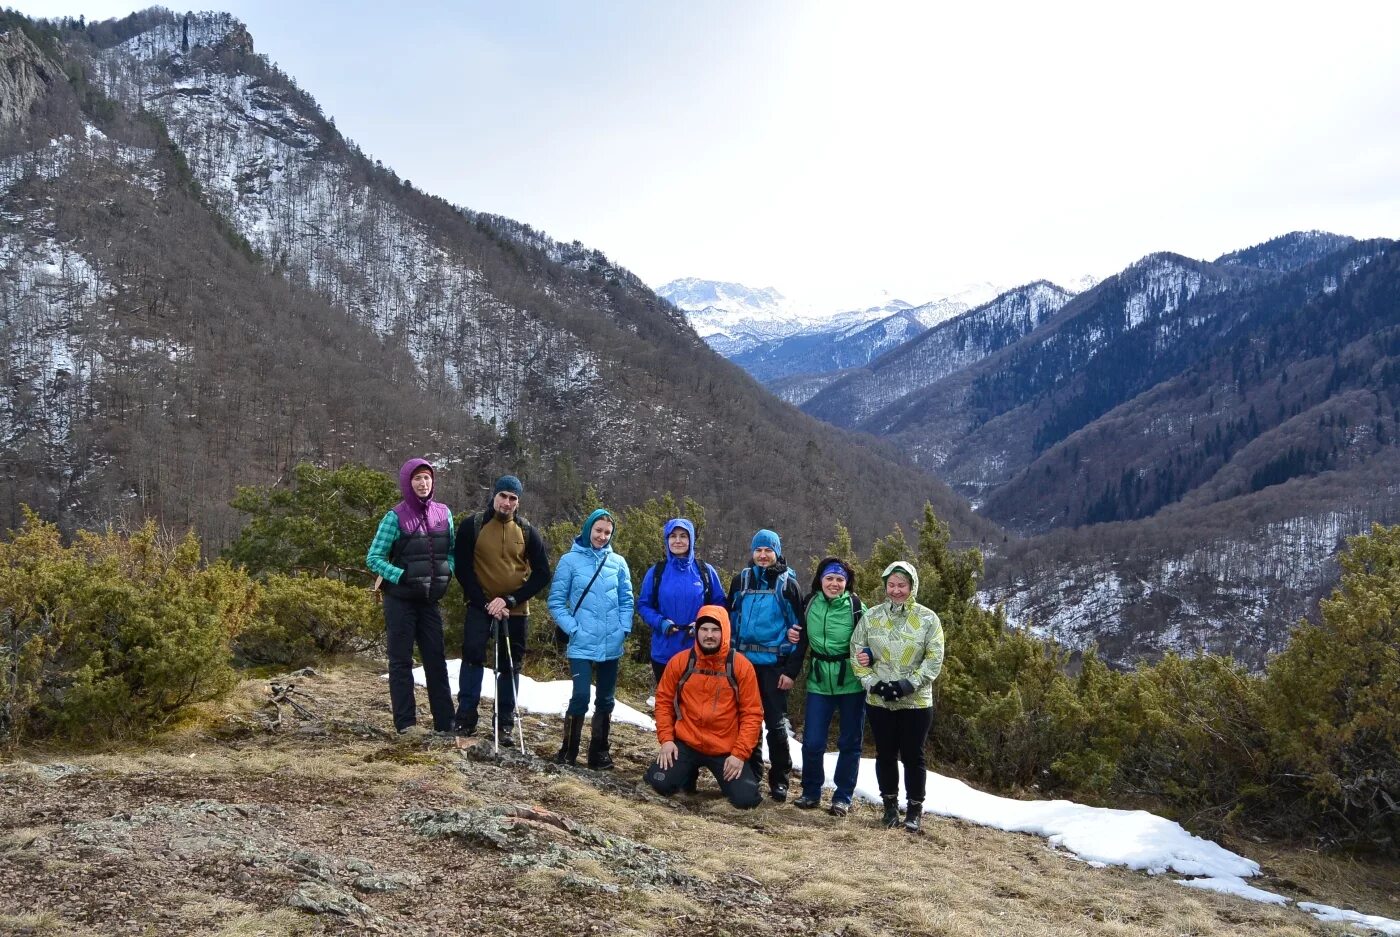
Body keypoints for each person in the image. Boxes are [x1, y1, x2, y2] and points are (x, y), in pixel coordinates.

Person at [452, 475, 552, 743]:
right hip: (479, 606)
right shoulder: (472, 526)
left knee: (510, 666)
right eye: (503, 496)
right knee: (473, 659)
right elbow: (461, 568)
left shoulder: (528, 531)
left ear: (518, 502)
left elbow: (543, 573)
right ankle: (465, 719)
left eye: (513, 498)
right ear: (493, 495)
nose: (507, 503)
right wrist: (485, 601)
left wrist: (509, 600)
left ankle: (504, 725)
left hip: (515, 610)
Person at [851, 560, 945, 832]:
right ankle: (889, 806)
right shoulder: (872, 617)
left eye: (902, 585)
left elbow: (933, 659)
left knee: (914, 756)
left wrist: (907, 685)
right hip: (879, 700)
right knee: (885, 754)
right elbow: (856, 650)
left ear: (912, 586)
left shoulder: (928, 619)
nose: (896, 590)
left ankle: (914, 809)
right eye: (891, 585)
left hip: (915, 702)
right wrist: (874, 684)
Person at [366, 458, 455, 737]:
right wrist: (400, 576)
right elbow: (374, 558)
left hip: (430, 600)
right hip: (400, 600)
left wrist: (447, 571)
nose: (423, 483)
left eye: (427, 478)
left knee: (436, 660)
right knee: (401, 662)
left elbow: (451, 551)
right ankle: (406, 724)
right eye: (417, 478)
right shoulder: (395, 517)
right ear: (408, 482)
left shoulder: (444, 513)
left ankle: (446, 724)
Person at [645, 606, 764, 809]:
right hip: (687, 743)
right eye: (704, 629)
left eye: (715, 630)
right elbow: (663, 701)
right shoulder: (680, 662)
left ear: (725, 631)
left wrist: (739, 754)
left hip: (725, 749)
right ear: (696, 631)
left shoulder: (741, 666)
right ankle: (686, 774)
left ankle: (746, 773)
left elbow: (752, 714)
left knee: (746, 800)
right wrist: (666, 740)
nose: (709, 635)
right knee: (659, 783)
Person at [547, 508, 634, 768]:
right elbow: (556, 601)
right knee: (581, 696)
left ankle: (599, 753)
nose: (602, 536)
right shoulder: (569, 561)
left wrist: (623, 629)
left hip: (611, 643)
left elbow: (627, 600)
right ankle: (568, 752)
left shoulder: (618, 563)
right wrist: (572, 628)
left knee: (606, 699)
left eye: (607, 532)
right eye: (598, 530)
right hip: (581, 643)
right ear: (588, 530)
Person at [727, 529, 805, 802]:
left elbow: (800, 631)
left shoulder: (788, 585)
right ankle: (751, 774)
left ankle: (780, 781)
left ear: (777, 553)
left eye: (768, 550)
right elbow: (729, 618)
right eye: (758, 550)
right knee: (747, 721)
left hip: (774, 666)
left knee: (775, 724)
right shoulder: (741, 581)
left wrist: (790, 671)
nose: (762, 555)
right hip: (743, 664)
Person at [785, 557, 865, 816]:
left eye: (839, 579)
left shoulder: (856, 607)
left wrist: (872, 664)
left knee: (850, 742)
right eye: (829, 578)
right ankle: (810, 793)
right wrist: (790, 673)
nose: (834, 583)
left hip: (851, 682)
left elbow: (870, 643)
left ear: (847, 582)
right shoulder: (810, 604)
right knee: (812, 742)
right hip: (819, 681)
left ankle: (842, 797)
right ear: (820, 579)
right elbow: (801, 641)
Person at [636, 518, 727, 687]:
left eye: (683, 536)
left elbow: (719, 605)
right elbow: (644, 605)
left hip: (699, 650)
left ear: (691, 539)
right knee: (667, 702)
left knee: (695, 705)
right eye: (673, 536)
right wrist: (661, 623)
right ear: (667, 540)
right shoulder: (656, 572)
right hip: (664, 650)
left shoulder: (705, 571)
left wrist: (701, 624)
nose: (678, 540)